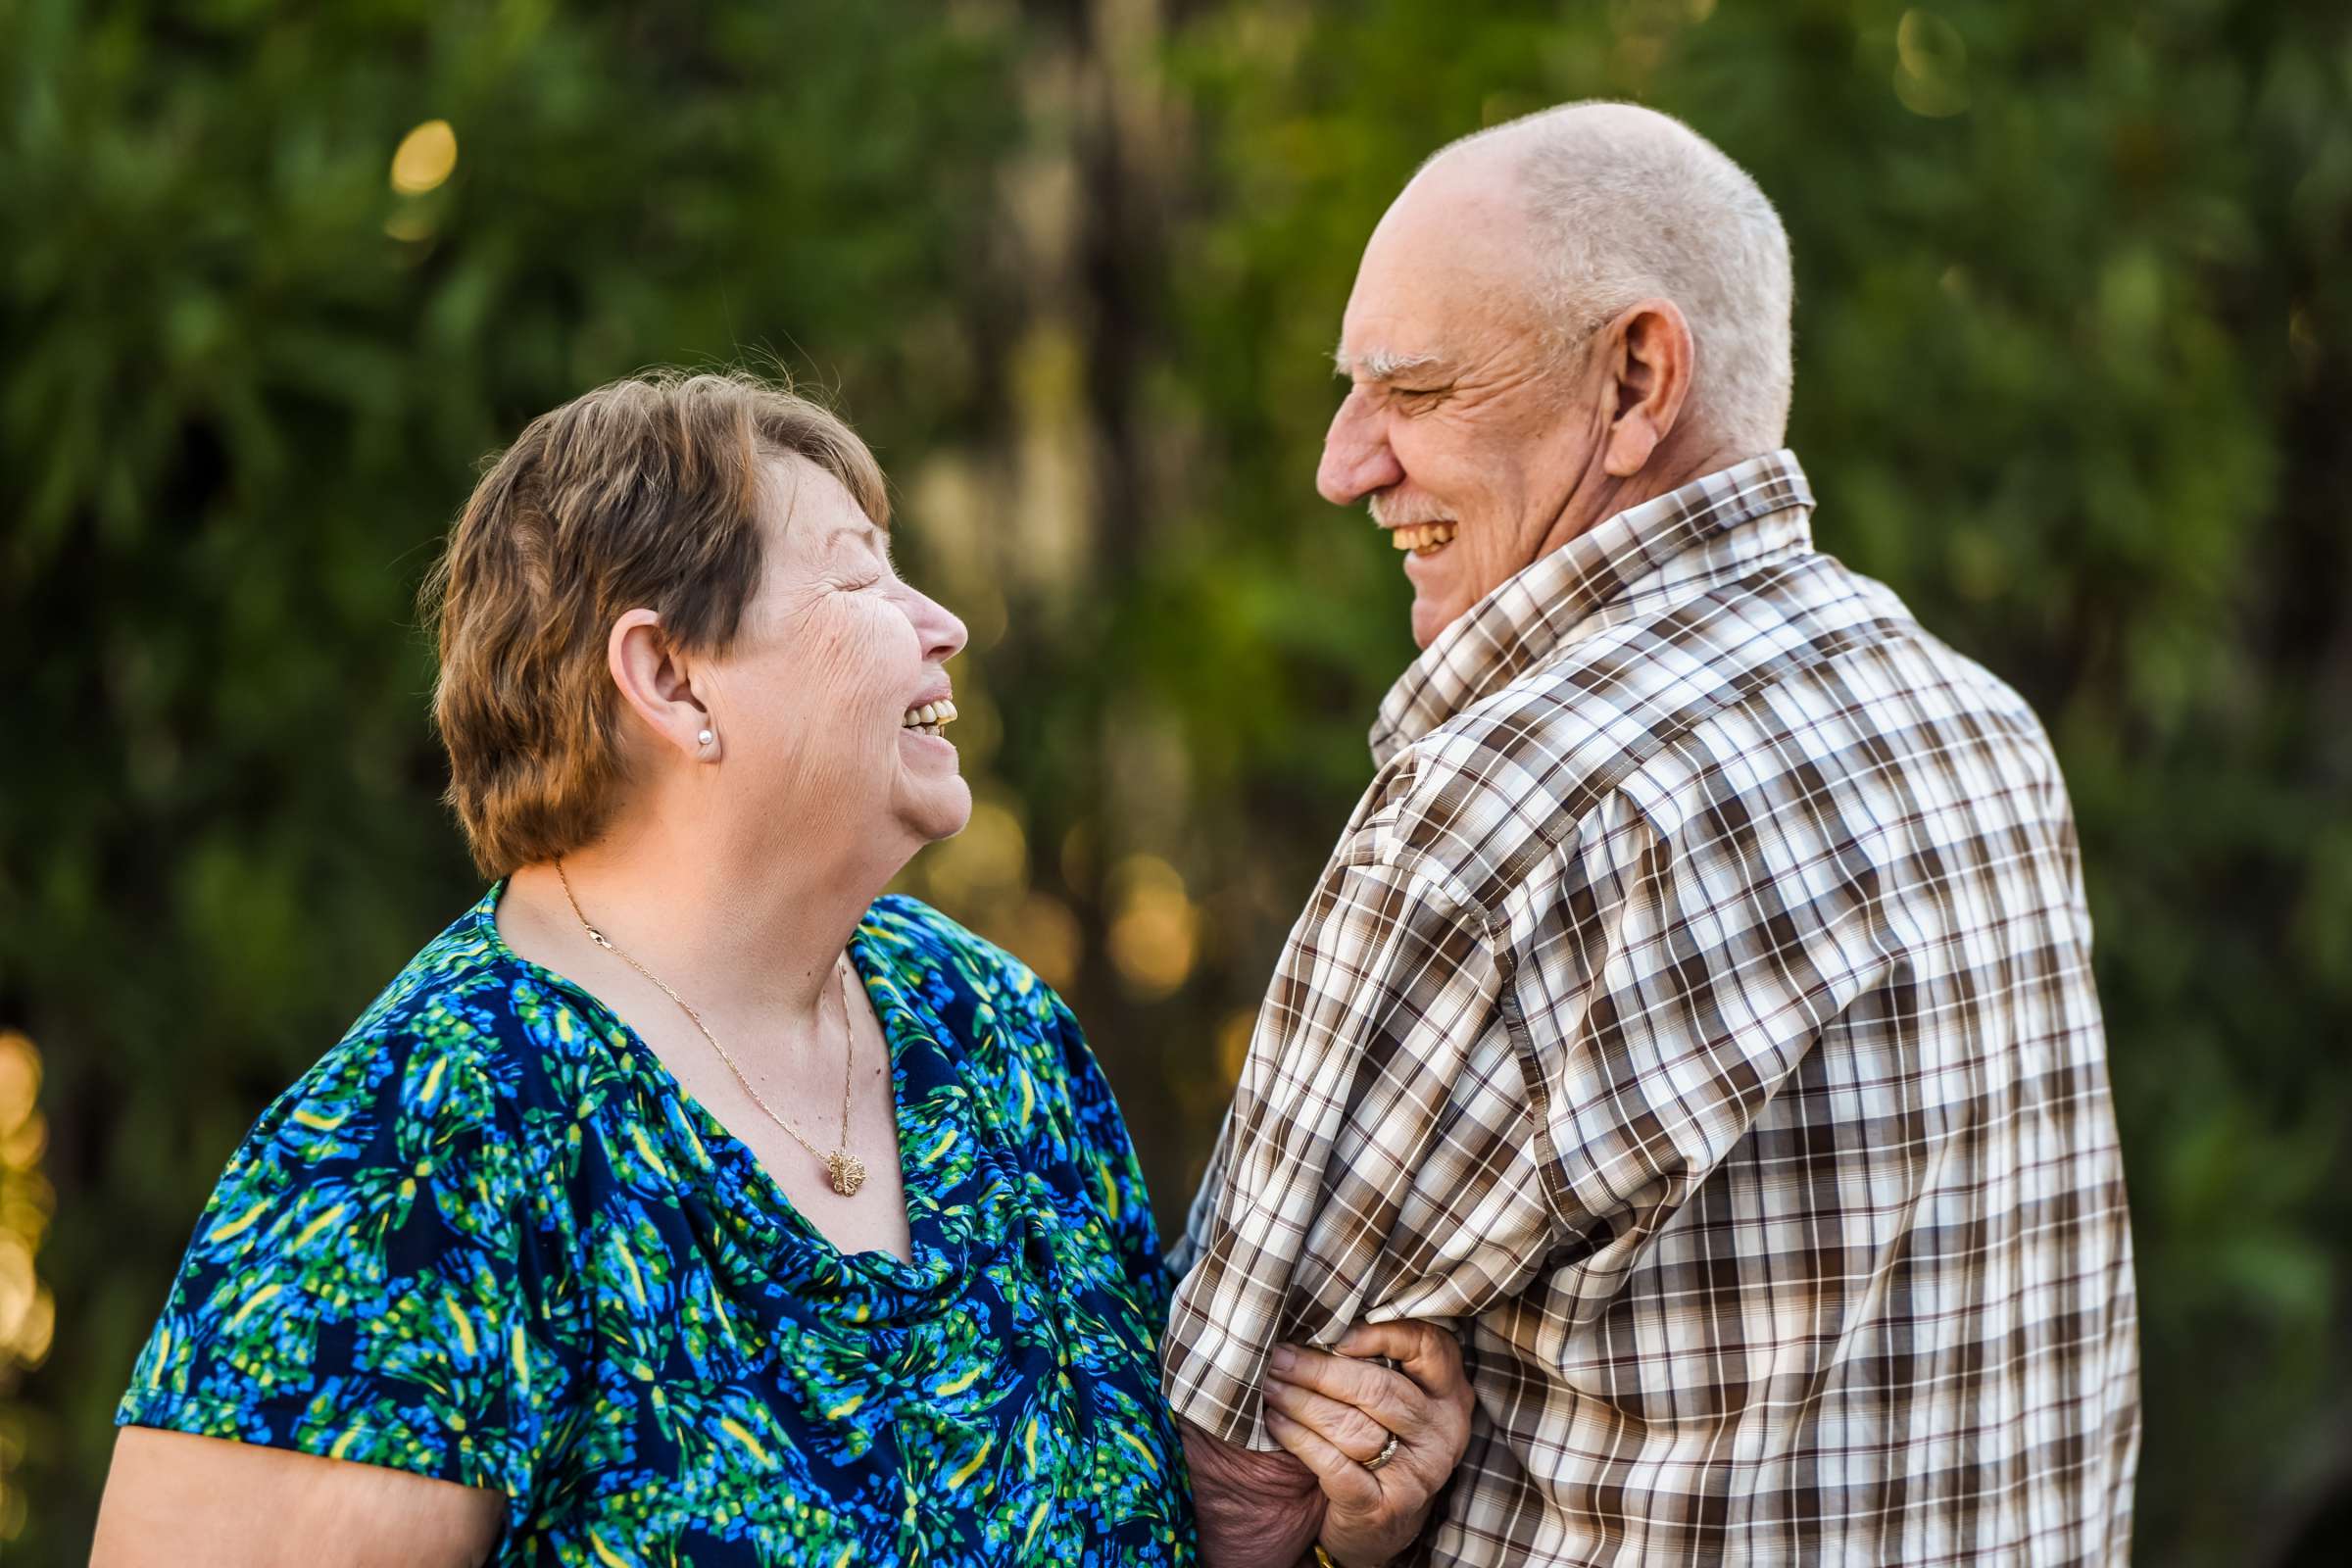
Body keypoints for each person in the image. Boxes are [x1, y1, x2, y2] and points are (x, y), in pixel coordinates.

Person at [90, 370, 1468, 1565]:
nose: (946, 625)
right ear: (672, 680)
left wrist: (1322, 1513)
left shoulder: (990, 1038)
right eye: (864, 576)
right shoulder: (425, 1149)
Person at [1163, 103, 2140, 1566]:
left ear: (1636, 380)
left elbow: (1226, 1487)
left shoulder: (1501, 815)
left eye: (1411, 391)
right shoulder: (1976, 724)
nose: (1344, 463)